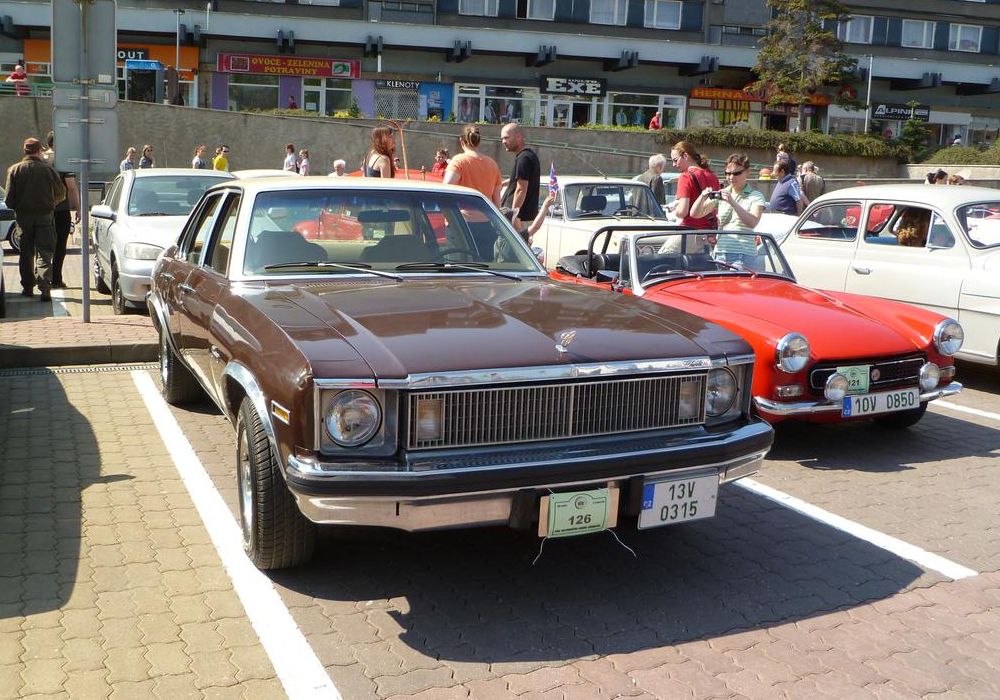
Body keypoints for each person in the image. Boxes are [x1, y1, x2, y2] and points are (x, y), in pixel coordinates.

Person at [4, 137, 67, 301]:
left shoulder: (14, 170)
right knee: (45, 253)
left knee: (26, 253)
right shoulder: (48, 170)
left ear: (24, 151)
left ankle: (28, 287)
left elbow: (9, 200)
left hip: (23, 218)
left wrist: (21, 204)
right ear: (39, 151)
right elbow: (61, 193)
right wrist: (51, 203)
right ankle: (45, 288)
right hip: (45, 216)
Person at [690, 153, 766, 265]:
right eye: (728, 173)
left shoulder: (755, 196)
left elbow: (752, 222)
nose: (731, 177)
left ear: (747, 172)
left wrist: (732, 202)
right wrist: (702, 196)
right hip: (720, 253)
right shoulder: (722, 193)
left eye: (736, 173)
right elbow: (695, 214)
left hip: (743, 254)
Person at [42, 131, 81, 290]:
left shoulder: (41, 159)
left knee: (43, 246)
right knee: (60, 246)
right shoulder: (63, 160)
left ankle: (43, 278)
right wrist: (78, 208)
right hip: (61, 209)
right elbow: (71, 187)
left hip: (42, 209)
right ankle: (56, 278)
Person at [443, 125, 502, 204]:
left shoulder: (458, 160)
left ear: (461, 140)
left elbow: (445, 188)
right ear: (479, 141)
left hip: (462, 214)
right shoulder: (492, 164)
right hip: (486, 214)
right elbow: (497, 198)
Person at [499, 123, 541, 233]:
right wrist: (508, 182)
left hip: (520, 218)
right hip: (523, 217)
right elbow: (523, 180)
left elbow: (521, 189)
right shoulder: (528, 155)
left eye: (506, 137)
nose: (503, 141)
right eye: (502, 138)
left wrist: (514, 215)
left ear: (518, 136)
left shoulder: (523, 158)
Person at [670, 140, 720, 229]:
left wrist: (674, 210)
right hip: (711, 231)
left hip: (690, 231)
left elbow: (682, 212)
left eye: (675, 160)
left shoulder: (685, 177)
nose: (674, 164)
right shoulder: (713, 176)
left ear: (685, 156)